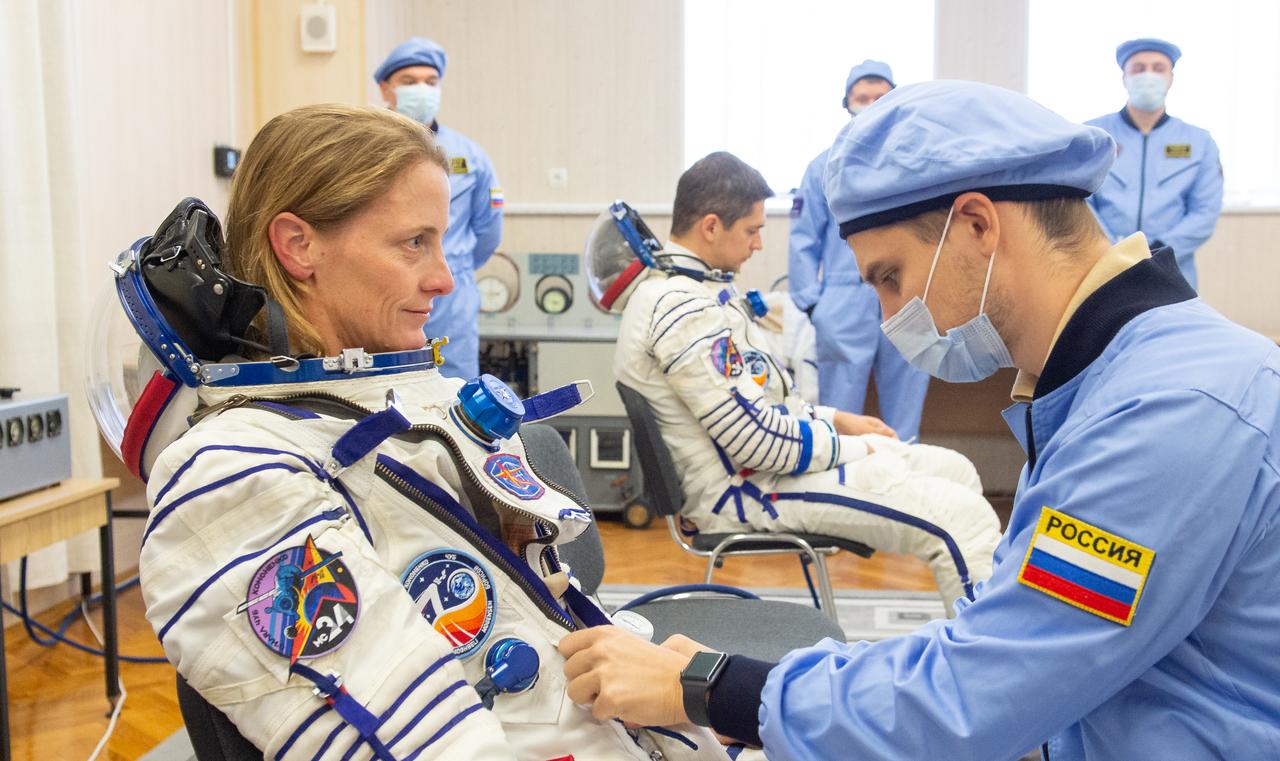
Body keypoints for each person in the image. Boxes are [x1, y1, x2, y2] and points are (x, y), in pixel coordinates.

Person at [561, 81, 1280, 760]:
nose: (886, 316)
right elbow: (1011, 650)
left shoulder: (1169, 412)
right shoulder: (1127, 380)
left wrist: (709, 688)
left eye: (890, 277)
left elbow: (979, 690)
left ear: (976, 224)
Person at [91, 104, 726, 760]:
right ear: (299, 244)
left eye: (441, 242)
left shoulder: (402, 405)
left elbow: (527, 611)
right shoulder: (235, 473)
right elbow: (431, 742)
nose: (445, 277)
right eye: (413, 242)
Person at [591, 151, 1002, 614]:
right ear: (711, 226)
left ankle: (972, 637)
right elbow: (755, 443)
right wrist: (853, 447)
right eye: (752, 230)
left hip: (758, 474)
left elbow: (762, 401)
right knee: (959, 522)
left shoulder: (692, 294)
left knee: (956, 470)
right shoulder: (682, 309)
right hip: (742, 494)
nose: (759, 244)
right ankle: (983, 665)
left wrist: (836, 418)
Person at [789, 60, 930, 439]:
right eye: (862, 97)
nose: (870, 104)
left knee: (905, 410)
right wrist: (812, 304)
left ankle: (903, 490)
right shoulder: (822, 167)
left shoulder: (915, 164)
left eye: (879, 97)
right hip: (842, 300)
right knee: (840, 415)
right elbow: (803, 237)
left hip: (907, 294)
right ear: (847, 103)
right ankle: (839, 491)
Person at [375, 36, 504, 378]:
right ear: (386, 89)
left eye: (430, 82)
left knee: (455, 387)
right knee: (382, 384)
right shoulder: (364, 151)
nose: (422, 89)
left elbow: (489, 231)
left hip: (452, 293)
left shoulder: (469, 156)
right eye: (410, 81)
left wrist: (450, 264)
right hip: (381, 286)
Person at [1086, 38, 1223, 289]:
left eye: (1158, 68)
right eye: (1138, 68)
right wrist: (1112, 249)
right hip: (1104, 268)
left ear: (1171, 78)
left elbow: (1204, 212)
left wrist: (1159, 250)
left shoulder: (1199, 142)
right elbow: (1081, 201)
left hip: (1172, 270)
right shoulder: (1094, 136)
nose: (1148, 75)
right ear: (1124, 77)